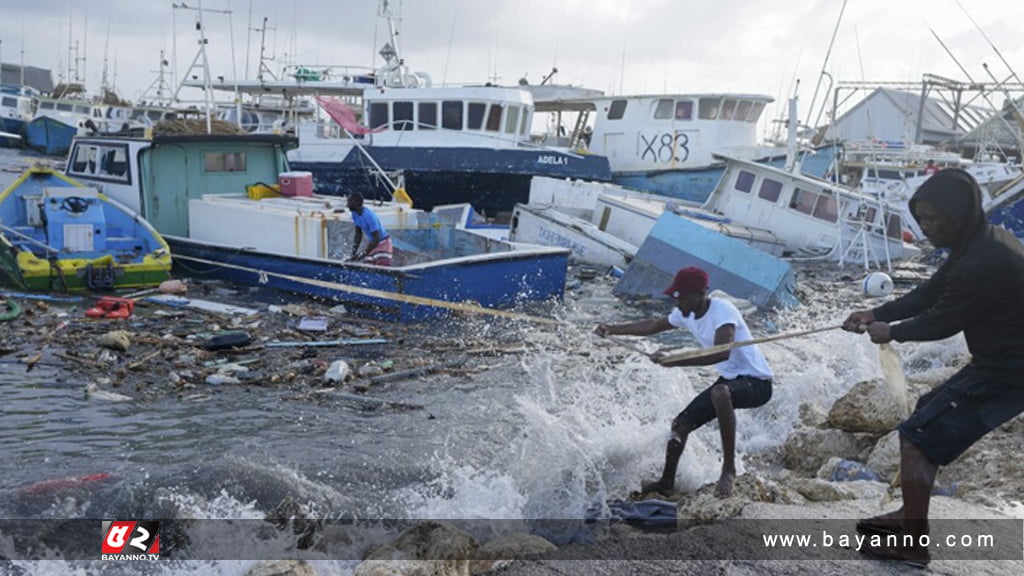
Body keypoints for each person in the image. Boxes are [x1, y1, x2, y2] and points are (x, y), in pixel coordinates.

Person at [842, 168, 1024, 568]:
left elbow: (942, 321)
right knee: (927, 407)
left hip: (1010, 373)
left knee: (918, 435)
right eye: (920, 219)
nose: (925, 228)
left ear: (958, 214)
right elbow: (931, 292)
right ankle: (910, 516)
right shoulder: (977, 243)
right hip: (1001, 362)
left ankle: (913, 542)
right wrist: (876, 311)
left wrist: (891, 331)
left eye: (932, 219)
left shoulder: (983, 261)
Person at [595, 266, 774, 498]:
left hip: (758, 383)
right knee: (680, 425)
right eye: (676, 298)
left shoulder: (723, 311)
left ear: (702, 293)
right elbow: (651, 326)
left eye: (683, 298)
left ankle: (728, 470)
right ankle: (666, 482)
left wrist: (675, 360)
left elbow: (722, 353)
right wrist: (612, 329)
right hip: (731, 381)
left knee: (720, 393)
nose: (678, 304)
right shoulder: (685, 313)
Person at [347, 192, 393, 266]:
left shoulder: (369, 216)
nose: (347, 205)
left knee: (381, 266)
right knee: (366, 265)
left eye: (350, 201)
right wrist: (353, 253)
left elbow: (376, 239)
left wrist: (362, 254)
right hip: (372, 243)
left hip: (383, 243)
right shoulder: (354, 213)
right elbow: (358, 234)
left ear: (357, 202)